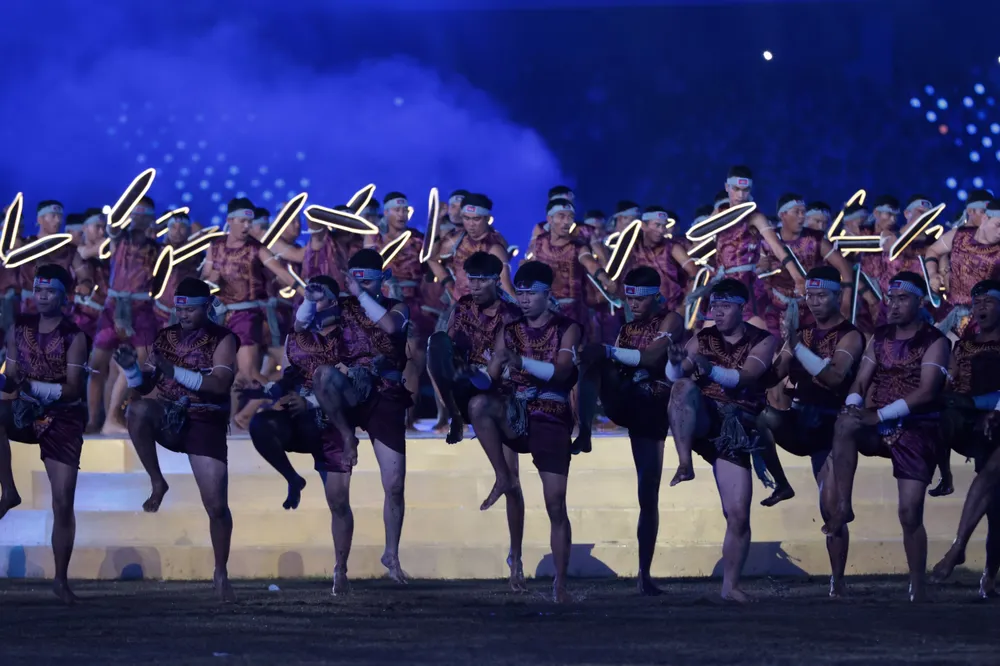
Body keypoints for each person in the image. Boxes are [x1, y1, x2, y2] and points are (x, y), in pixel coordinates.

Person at [824, 272, 950, 602]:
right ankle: (844, 506)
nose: (893, 305)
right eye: (890, 299)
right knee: (844, 423)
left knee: (910, 513)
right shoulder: (879, 337)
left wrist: (878, 415)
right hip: (876, 422)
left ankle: (917, 585)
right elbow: (860, 382)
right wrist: (854, 406)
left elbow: (927, 392)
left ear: (920, 302)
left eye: (902, 299)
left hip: (917, 427)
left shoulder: (935, 341)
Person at [117, 277, 239, 602]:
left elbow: (219, 384)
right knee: (137, 410)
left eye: (190, 310)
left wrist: (173, 372)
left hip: (205, 420)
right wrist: (131, 370)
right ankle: (158, 482)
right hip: (169, 416)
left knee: (216, 506)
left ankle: (221, 571)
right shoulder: (165, 337)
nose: (183, 315)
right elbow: (145, 387)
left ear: (207, 307)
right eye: (180, 309)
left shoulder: (223, 338)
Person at [465, 261, 581, 602]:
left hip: (551, 413)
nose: (525, 300)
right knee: (478, 404)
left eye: (532, 293)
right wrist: (466, 374)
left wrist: (521, 363)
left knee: (555, 504)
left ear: (548, 294)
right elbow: (489, 380)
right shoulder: (509, 329)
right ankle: (503, 476)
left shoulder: (567, 328)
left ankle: (560, 583)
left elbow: (563, 373)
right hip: (516, 411)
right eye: (521, 293)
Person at [664, 278, 777, 602]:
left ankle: (730, 587)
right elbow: (677, 375)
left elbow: (748, 377)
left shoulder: (763, 340)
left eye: (725, 306)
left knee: (738, 514)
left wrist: (709, 369)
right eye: (714, 306)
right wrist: (675, 363)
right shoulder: (703, 337)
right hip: (703, 419)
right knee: (681, 387)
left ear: (742, 308)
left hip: (735, 427)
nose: (718, 312)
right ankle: (684, 463)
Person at [248, 275, 361, 595]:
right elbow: (289, 375)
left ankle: (340, 569)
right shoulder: (297, 337)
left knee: (338, 502)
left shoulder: (352, 337)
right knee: (260, 425)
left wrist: (310, 401)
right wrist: (274, 391)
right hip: (300, 421)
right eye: (310, 298)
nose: (314, 303)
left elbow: (353, 388)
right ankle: (293, 479)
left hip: (333, 424)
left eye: (320, 297)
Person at [756, 266, 864, 596]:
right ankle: (782, 485)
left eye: (821, 296)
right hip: (800, 421)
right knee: (759, 418)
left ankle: (837, 581)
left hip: (832, 429)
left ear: (838, 296)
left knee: (831, 510)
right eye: (810, 296)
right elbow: (772, 375)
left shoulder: (851, 336)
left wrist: (796, 348)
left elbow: (835, 377)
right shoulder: (800, 335)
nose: (814, 302)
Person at [577, 266, 683, 594]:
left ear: (656, 296)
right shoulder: (626, 327)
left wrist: (609, 351)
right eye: (629, 299)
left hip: (653, 407)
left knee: (647, 493)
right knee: (592, 358)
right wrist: (603, 355)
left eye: (640, 299)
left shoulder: (671, 320)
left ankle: (643, 575)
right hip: (626, 399)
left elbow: (651, 359)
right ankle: (584, 432)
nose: (633, 305)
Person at [0, 264, 89, 604]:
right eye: (38, 290)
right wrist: (5, 383)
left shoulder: (74, 336)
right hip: (25, 410)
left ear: (63, 297)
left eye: (50, 291)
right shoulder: (19, 327)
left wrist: (31, 388)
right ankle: (9, 491)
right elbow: (11, 377)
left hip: (63, 418)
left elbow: (72, 389)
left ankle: (61, 580)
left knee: (63, 502)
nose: (42, 297)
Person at [338, 248, 412, 582]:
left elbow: (391, 328)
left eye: (368, 281)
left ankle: (391, 554)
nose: (362, 286)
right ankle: (340, 565)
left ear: (381, 279)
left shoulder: (397, 307)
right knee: (338, 488)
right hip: (348, 393)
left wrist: (361, 295)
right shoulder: (339, 308)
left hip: (385, 395)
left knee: (394, 484)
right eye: (357, 281)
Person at [931, 279, 1000, 597]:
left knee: (993, 490)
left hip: (993, 417)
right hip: (974, 422)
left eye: (989, 302)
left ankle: (967, 555)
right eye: (977, 303)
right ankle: (943, 475)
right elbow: (952, 384)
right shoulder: (963, 346)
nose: (981, 307)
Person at [202, 198, 298, 429]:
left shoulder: (256, 248)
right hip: (220, 317)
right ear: (230, 220)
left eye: (249, 222)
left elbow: (282, 273)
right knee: (227, 373)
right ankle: (232, 419)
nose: (247, 226)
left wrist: (306, 292)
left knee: (249, 373)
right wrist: (210, 280)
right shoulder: (215, 246)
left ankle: (287, 403)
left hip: (246, 316)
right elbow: (206, 276)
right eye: (242, 221)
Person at [426, 251, 521, 446]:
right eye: (472, 279)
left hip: (495, 384)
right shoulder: (464, 305)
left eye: (482, 280)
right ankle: (455, 416)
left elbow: (503, 365)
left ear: (497, 281)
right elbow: (449, 344)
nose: (475, 286)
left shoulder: (510, 313)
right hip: (464, 378)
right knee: (437, 341)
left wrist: (476, 372)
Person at [87, 196, 161, 434]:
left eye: (144, 214)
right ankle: (94, 420)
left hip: (142, 309)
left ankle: (115, 416)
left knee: (142, 362)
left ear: (151, 218)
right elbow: (113, 227)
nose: (139, 218)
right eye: (136, 212)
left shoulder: (157, 249)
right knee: (97, 366)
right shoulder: (118, 238)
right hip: (113, 307)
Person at [365, 192, 432, 429]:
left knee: (412, 359)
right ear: (386, 213)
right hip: (380, 305)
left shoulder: (417, 240)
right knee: (374, 358)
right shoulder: (374, 240)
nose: (402, 214)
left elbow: (429, 272)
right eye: (397, 210)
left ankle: (408, 419)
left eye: (405, 210)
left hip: (411, 306)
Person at [924, 196, 1000, 338]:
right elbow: (933, 250)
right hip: (948, 311)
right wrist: (933, 273)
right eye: (998, 225)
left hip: (981, 320)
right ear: (985, 219)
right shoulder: (959, 235)